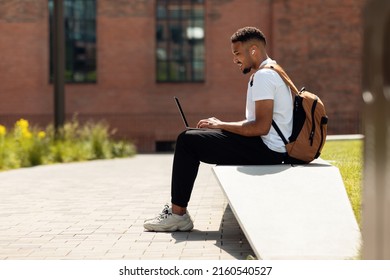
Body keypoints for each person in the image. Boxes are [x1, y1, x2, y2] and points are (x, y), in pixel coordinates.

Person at [144, 26, 293, 232]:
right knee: (195, 135)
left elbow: (261, 127)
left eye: (237, 53)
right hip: (268, 147)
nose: (235, 59)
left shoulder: (263, 77)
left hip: (268, 151)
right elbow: (259, 124)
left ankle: (178, 215)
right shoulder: (273, 71)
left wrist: (221, 125)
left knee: (187, 141)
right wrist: (219, 126)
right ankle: (177, 212)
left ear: (253, 51)